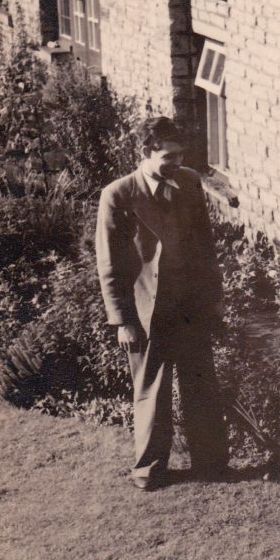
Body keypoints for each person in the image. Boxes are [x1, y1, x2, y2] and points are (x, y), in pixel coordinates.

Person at [95, 116, 229, 491]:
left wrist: (214, 298)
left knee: (201, 384)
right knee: (151, 391)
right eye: (168, 156)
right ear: (145, 153)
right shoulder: (118, 195)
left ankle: (212, 463)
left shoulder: (188, 182)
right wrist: (122, 320)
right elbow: (108, 264)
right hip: (147, 309)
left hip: (190, 306)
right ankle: (150, 469)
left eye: (180, 154)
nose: (177, 162)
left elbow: (206, 248)